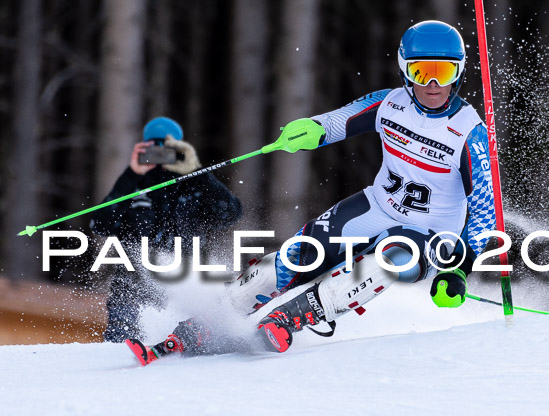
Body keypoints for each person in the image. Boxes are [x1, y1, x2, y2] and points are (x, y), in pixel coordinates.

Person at [127, 21, 496, 364]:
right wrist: (310, 130)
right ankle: (205, 324)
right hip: (377, 206)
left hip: (431, 232)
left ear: (459, 73)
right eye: (421, 72)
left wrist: (458, 269)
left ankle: (297, 316)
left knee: (391, 260)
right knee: (298, 255)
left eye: (443, 72)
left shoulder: (468, 132)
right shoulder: (389, 104)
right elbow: (339, 120)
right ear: (405, 71)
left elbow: (485, 212)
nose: (433, 85)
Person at [91, 117, 243, 342]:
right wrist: (132, 173)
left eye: (169, 148)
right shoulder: (132, 185)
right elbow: (101, 224)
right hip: (132, 293)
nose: (161, 154)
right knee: (119, 353)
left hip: (183, 292)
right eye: (154, 147)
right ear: (144, 147)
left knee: (181, 359)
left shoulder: (194, 185)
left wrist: (197, 171)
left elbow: (231, 212)